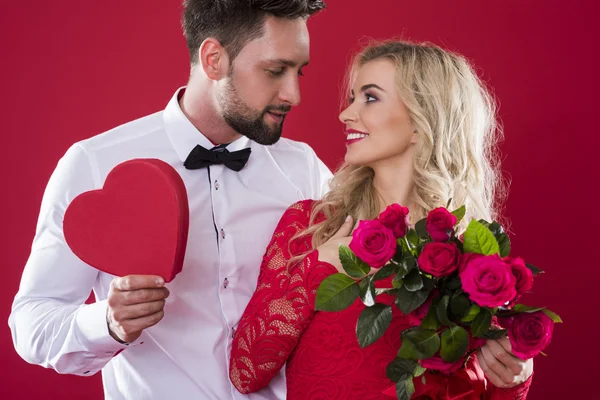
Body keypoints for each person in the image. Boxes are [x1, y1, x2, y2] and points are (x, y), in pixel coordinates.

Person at [8, 1, 331, 399]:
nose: (293, 94)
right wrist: (108, 323)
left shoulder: (305, 170)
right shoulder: (94, 164)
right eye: (275, 71)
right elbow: (31, 324)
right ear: (214, 60)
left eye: (299, 71)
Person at [229, 40, 534, 399]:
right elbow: (245, 372)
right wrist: (321, 264)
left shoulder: (471, 255)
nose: (346, 114)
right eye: (353, 97)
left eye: (370, 98)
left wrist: (515, 377)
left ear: (423, 121)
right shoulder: (312, 226)